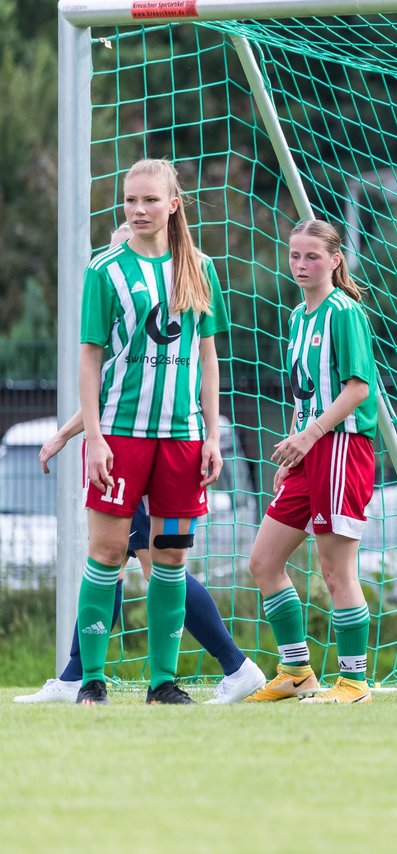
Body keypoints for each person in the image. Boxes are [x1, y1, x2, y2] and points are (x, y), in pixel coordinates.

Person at [73, 159, 230, 706]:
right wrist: (93, 437)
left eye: (148, 200)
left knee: (169, 556)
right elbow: (89, 360)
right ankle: (90, 679)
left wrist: (211, 435)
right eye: (129, 200)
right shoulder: (105, 269)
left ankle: (163, 683)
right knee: (109, 551)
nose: (137, 210)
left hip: (182, 439)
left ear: (173, 204)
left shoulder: (200, 267)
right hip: (121, 433)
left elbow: (208, 359)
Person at [13, 406, 266, 704]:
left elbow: (111, 391)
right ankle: (75, 675)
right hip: (131, 448)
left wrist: (64, 434)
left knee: (153, 567)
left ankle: (235, 665)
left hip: (138, 450)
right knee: (114, 565)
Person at [244, 219, 378, 705]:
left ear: (335, 260)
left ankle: (354, 683)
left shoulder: (345, 313)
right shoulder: (299, 316)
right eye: (295, 256)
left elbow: (358, 389)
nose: (301, 265)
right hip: (309, 451)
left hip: (342, 448)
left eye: (312, 257)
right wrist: (295, 451)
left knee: (335, 570)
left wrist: (312, 435)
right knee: (263, 561)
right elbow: (308, 394)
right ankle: (298, 672)